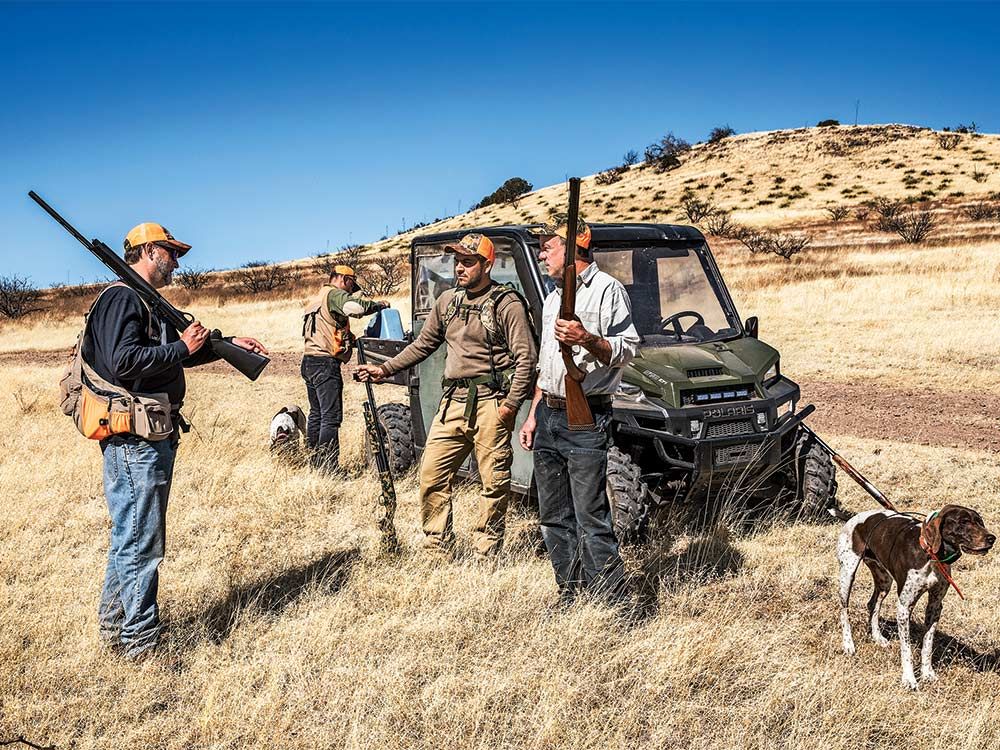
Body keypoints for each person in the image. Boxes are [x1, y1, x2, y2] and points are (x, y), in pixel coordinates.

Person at [83, 222, 267, 659]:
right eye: (172, 252)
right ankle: (141, 643)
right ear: (149, 250)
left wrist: (222, 344)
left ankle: (116, 628)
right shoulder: (121, 297)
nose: (178, 261)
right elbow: (125, 363)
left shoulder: (145, 300)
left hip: (151, 435)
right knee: (142, 542)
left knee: (133, 536)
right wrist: (184, 349)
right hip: (135, 441)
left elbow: (170, 351)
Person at [357, 234, 537, 560]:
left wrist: (509, 407)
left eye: (468, 261)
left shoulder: (506, 304)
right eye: (457, 261)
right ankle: (437, 550)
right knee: (431, 475)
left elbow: (526, 358)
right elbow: (423, 345)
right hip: (452, 403)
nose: (459, 268)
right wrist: (383, 370)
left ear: (487, 264)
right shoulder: (447, 301)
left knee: (494, 483)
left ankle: (486, 555)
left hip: (490, 404)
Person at [518, 216, 640, 606]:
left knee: (591, 518)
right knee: (553, 516)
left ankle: (614, 603)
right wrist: (534, 414)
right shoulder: (553, 297)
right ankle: (571, 595)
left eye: (547, 246)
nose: (541, 253)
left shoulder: (608, 291)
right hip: (550, 416)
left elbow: (629, 350)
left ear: (573, 249)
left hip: (586, 416)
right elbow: (546, 365)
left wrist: (586, 337)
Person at [301, 265, 387, 473]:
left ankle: (314, 463)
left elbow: (327, 330)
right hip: (325, 364)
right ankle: (329, 468)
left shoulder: (316, 299)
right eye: (350, 284)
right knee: (330, 417)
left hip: (309, 361)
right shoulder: (335, 295)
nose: (350, 290)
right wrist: (377, 306)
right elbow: (354, 307)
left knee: (317, 415)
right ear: (344, 279)